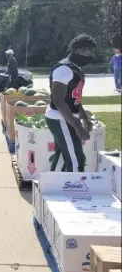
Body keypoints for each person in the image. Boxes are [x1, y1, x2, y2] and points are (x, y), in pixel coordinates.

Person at [45, 33, 96, 172]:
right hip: (60, 118)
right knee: (77, 159)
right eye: (88, 50)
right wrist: (78, 127)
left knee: (62, 156)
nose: (90, 54)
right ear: (78, 50)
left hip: (66, 118)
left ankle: (53, 186)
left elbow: (75, 98)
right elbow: (59, 101)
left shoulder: (75, 68)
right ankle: (76, 190)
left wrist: (84, 118)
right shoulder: (64, 69)